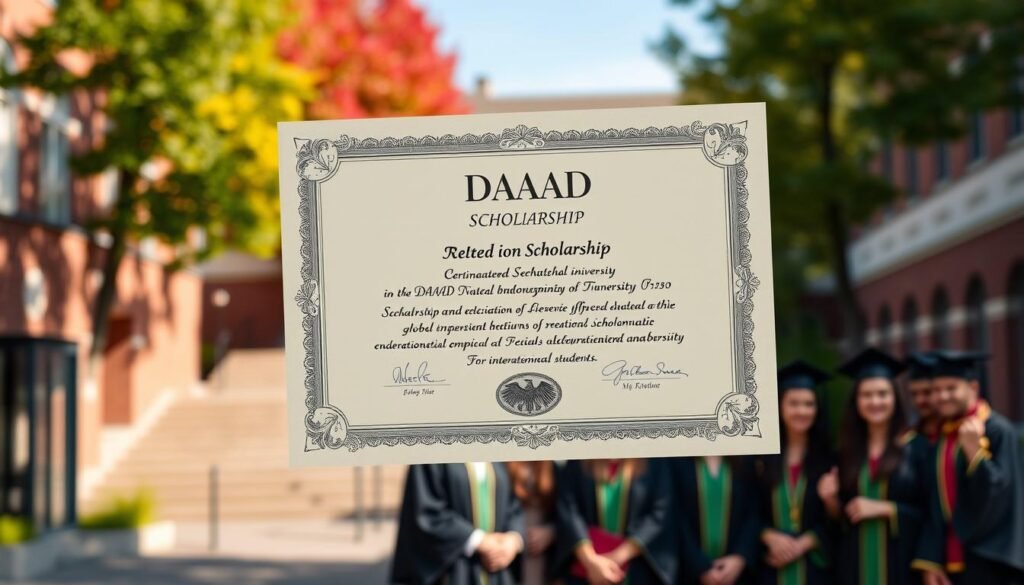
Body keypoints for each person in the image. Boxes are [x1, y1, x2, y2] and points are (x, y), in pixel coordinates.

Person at [911, 350, 1024, 585]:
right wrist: (931, 559)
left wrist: (975, 454)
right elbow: (934, 502)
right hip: (952, 564)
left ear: (973, 388)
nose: (942, 396)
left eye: (951, 388)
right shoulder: (944, 436)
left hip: (991, 564)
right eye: (937, 390)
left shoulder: (997, 430)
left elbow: (1001, 499)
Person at [820, 347, 926, 585]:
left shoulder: (917, 449)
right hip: (854, 566)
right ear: (856, 402)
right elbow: (838, 522)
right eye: (866, 395)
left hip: (902, 566)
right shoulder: (845, 453)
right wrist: (830, 502)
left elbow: (931, 516)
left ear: (895, 399)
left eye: (882, 394)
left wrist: (886, 509)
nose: (875, 401)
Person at [751, 360, 835, 585]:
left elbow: (838, 520)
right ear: (780, 406)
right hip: (770, 567)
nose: (802, 411)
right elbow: (746, 510)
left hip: (815, 570)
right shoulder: (760, 457)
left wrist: (806, 542)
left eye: (809, 404)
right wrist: (767, 536)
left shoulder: (830, 459)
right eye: (794, 403)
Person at [391, 462, 526, 585]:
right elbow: (425, 510)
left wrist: (513, 540)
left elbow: (513, 507)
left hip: (498, 571)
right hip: (454, 570)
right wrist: (478, 540)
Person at [553, 458, 676, 585]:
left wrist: (616, 557)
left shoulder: (654, 463)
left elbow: (660, 512)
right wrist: (590, 561)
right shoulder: (578, 462)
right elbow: (569, 510)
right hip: (587, 569)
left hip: (636, 568)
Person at [674, 456, 760, 585]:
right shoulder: (677, 461)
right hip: (688, 573)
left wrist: (740, 557)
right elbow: (675, 516)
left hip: (737, 573)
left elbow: (755, 511)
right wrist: (699, 566)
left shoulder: (745, 459)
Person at [506, 461, 558, 584]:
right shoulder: (504, 466)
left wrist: (551, 532)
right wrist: (516, 536)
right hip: (514, 543)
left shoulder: (552, 467)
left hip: (543, 550)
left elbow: (565, 512)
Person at [905, 352, 940, 443]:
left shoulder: (954, 433)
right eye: (914, 394)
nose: (919, 400)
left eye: (927, 392)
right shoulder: (910, 439)